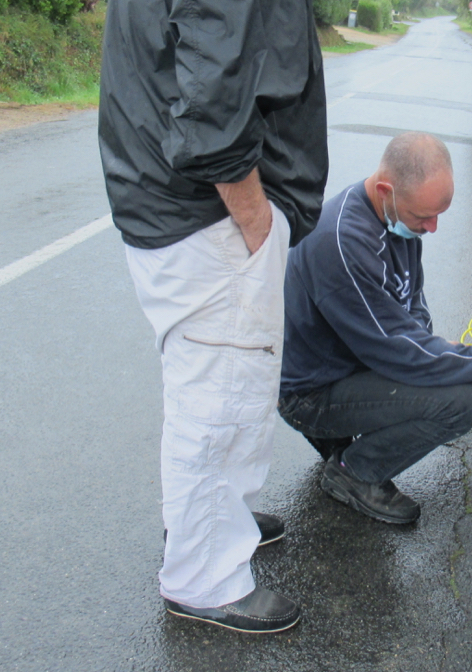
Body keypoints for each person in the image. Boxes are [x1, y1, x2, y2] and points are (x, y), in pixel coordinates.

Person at [97, 0, 327, 634]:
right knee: (224, 398)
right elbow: (213, 89)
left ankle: (214, 524)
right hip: (211, 212)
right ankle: (205, 576)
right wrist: (256, 220)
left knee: (210, 385)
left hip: (171, 200)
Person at [278, 132, 472, 525]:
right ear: (386, 190)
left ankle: (345, 439)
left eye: (438, 214)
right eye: (424, 216)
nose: (432, 227)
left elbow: (411, 303)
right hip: (309, 394)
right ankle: (354, 473)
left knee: (449, 372)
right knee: (461, 400)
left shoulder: (394, 218)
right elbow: (399, 350)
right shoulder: (343, 244)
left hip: (348, 365)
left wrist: (435, 349)